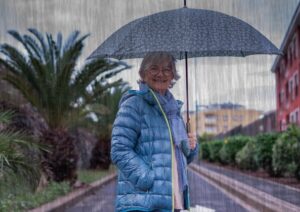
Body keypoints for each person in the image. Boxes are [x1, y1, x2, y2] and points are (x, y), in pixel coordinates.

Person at [111, 52, 199, 212]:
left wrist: (191, 147)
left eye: (166, 69)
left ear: (173, 75)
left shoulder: (174, 111)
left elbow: (178, 156)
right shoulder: (133, 105)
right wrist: (148, 178)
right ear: (143, 73)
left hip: (174, 198)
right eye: (154, 68)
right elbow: (119, 149)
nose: (160, 74)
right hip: (144, 202)